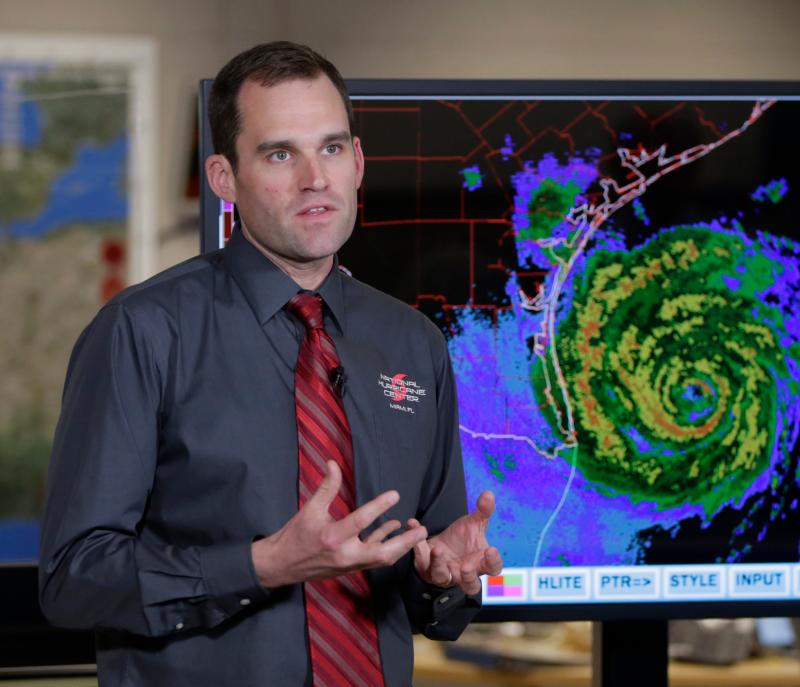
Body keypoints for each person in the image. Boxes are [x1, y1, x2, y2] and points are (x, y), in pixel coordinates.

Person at [38, 41, 502, 687]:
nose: (316, 178)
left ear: (359, 162)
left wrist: (444, 579)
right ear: (224, 177)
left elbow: (434, 603)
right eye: (281, 153)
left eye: (333, 148)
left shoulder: (414, 343)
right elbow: (72, 581)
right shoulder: (142, 333)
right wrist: (264, 564)